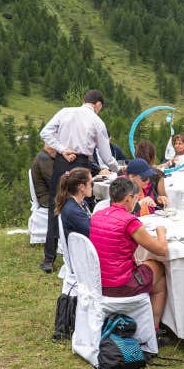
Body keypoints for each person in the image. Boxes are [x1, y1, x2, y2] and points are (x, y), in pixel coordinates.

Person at [38, 89, 118, 272]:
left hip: (61, 161)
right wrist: (118, 169)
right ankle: (83, 251)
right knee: (82, 207)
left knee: (55, 206)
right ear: (98, 105)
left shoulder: (65, 111)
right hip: (81, 164)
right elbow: (106, 156)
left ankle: (49, 259)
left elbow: (45, 133)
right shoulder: (97, 121)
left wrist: (62, 149)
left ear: (84, 100)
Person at [90, 177, 169, 329]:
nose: (136, 202)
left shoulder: (97, 216)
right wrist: (161, 231)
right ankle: (153, 327)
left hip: (96, 283)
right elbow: (162, 250)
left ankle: (140, 319)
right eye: (135, 198)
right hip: (120, 286)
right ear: (127, 198)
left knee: (144, 265)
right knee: (159, 267)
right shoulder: (130, 221)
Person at [56, 168, 92, 244]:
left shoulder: (82, 203)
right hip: (79, 248)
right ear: (81, 187)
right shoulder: (73, 211)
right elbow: (91, 232)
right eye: (91, 184)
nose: (92, 187)